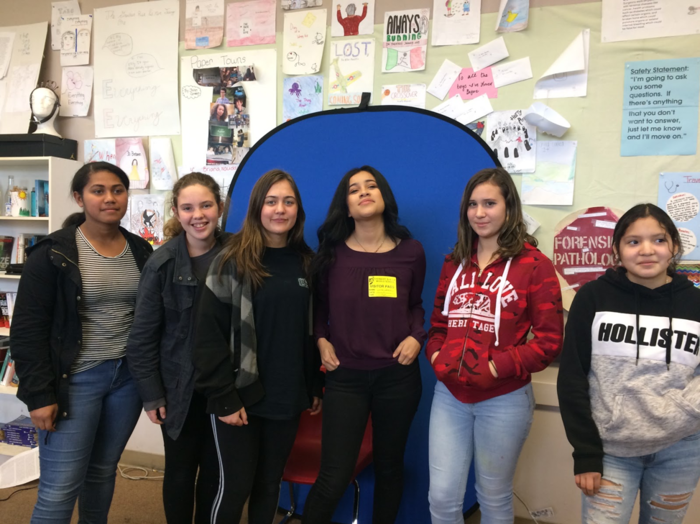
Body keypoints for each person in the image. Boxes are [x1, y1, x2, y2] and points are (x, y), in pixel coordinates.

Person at [11, 162, 153, 524]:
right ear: (79, 197)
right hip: (74, 382)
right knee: (59, 489)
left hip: (126, 380)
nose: (110, 198)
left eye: (118, 190)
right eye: (98, 190)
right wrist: (39, 395)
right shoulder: (53, 254)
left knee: (102, 472)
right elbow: (27, 330)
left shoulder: (140, 250)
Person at [426, 167, 563, 523]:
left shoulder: (535, 266)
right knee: (441, 496)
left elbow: (550, 341)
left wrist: (494, 367)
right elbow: (438, 323)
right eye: (473, 204)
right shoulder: (453, 261)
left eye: (490, 203)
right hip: (449, 397)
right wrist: (438, 357)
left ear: (508, 207)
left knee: (494, 496)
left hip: (504, 399)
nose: (480, 213)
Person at [194, 170, 324, 524]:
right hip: (240, 395)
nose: (279, 209)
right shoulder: (230, 260)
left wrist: (313, 385)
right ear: (256, 208)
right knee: (235, 488)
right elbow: (206, 337)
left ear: (298, 209)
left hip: (287, 394)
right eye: (271, 201)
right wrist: (223, 397)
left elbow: (311, 332)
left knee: (270, 485)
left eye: (288, 201)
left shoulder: (307, 263)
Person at [557, 203, 700, 523]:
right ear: (617, 249)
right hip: (611, 452)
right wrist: (586, 454)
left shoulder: (695, 303)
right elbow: (572, 378)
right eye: (633, 241)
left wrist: (686, 409)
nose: (647, 250)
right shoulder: (593, 297)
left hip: (681, 450)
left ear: (674, 247)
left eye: (659, 240)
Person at [302, 166, 426, 524]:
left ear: (384, 196)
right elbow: (319, 307)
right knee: (334, 475)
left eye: (371, 185)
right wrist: (321, 339)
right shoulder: (330, 255)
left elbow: (415, 304)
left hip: (397, 377)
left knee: (389, 467)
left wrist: (417, 337)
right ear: (347, 205)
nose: (364, 192)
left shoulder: (411, 252)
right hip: (346, 378)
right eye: (354, 189)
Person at [126, 173, 227, 524]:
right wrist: (152, 396)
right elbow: (142, 337)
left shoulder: (238, 255)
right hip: (179, 389)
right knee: (182, 473)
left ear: (220, 207)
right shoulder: (161, 263)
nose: (197, 214)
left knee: (216, 475)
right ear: (176, 211)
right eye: (187, 207)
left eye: (206, 205)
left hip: (225, 387)